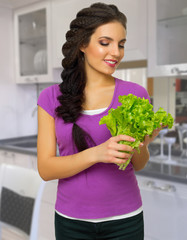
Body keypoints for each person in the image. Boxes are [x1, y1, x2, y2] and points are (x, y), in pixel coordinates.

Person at [37, 2, 161, 239]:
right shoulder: (50, 97)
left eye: (121, 44)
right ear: (83, 44)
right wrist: (97, 153)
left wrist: (141, 145)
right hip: (71, 220)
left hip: (125, 219)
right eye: (105, 43)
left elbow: (139, 163)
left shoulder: (136, 94)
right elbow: (46, 169)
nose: (116, 52)